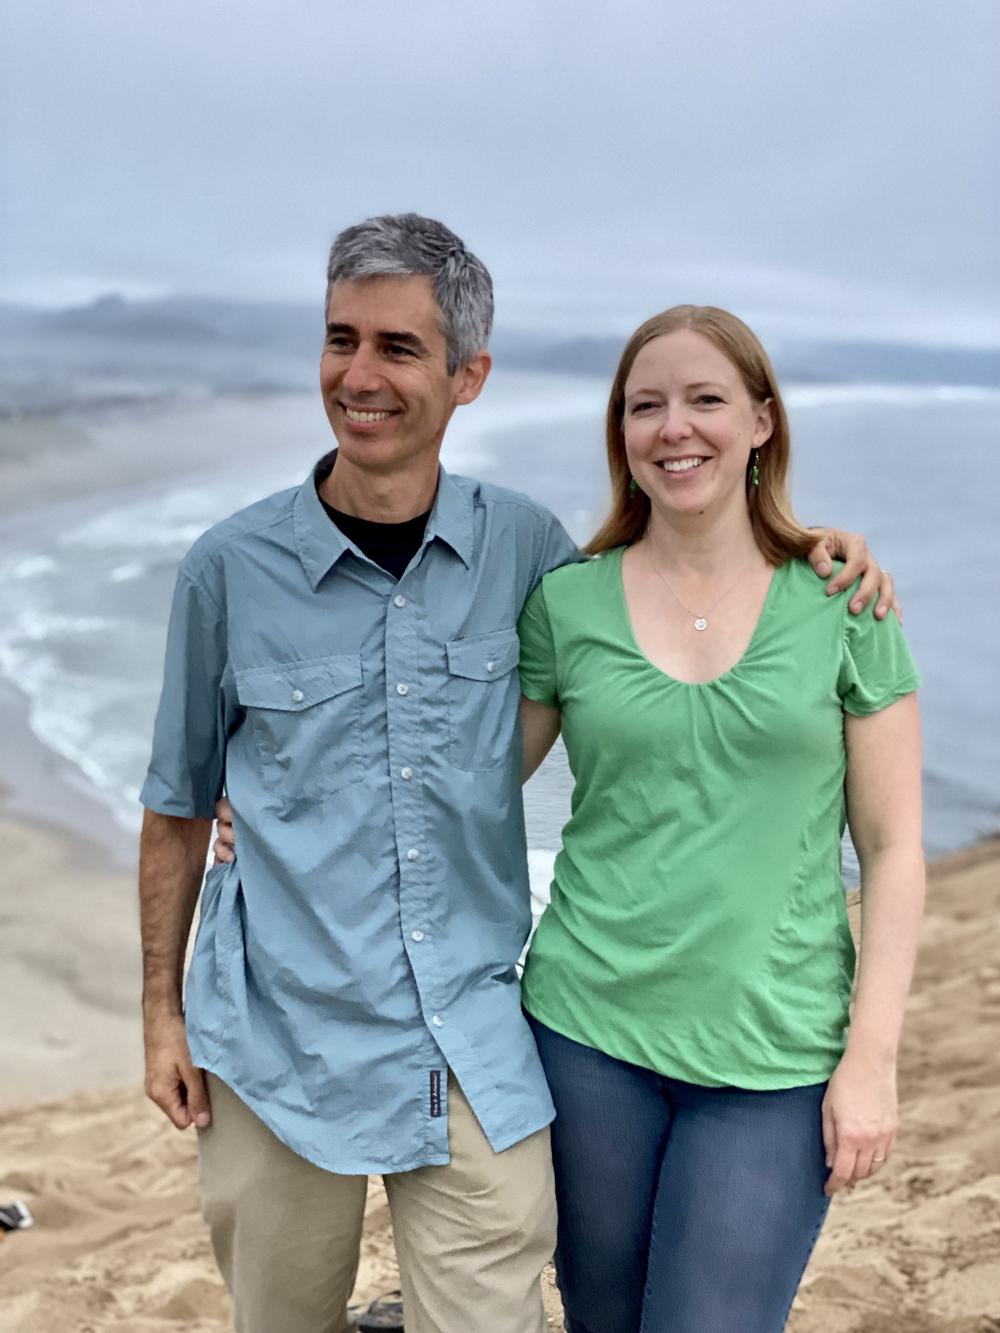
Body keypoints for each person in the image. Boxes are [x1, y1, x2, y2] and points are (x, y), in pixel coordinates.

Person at [143, 212, 895, 1333]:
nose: (359, 375)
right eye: (341, 339)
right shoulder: (227, 569)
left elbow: (672, 589)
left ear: (469, 376)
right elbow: (173, 802)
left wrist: (807, 546)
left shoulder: (531, 554)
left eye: (398, 347)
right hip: (275, 1032)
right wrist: (161, 1011)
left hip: (471, 1031)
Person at [514, 305, 924, 1332]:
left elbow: (892, 849)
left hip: (775, 1052)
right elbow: (460, 788)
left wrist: (870, 1059)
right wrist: (270, 801)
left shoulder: (844, 601)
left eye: (705, 399)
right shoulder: (567, 604)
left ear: (761, 421)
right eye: (644, 405)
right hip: (585, 1033)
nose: (673, 428)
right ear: (620, 431)